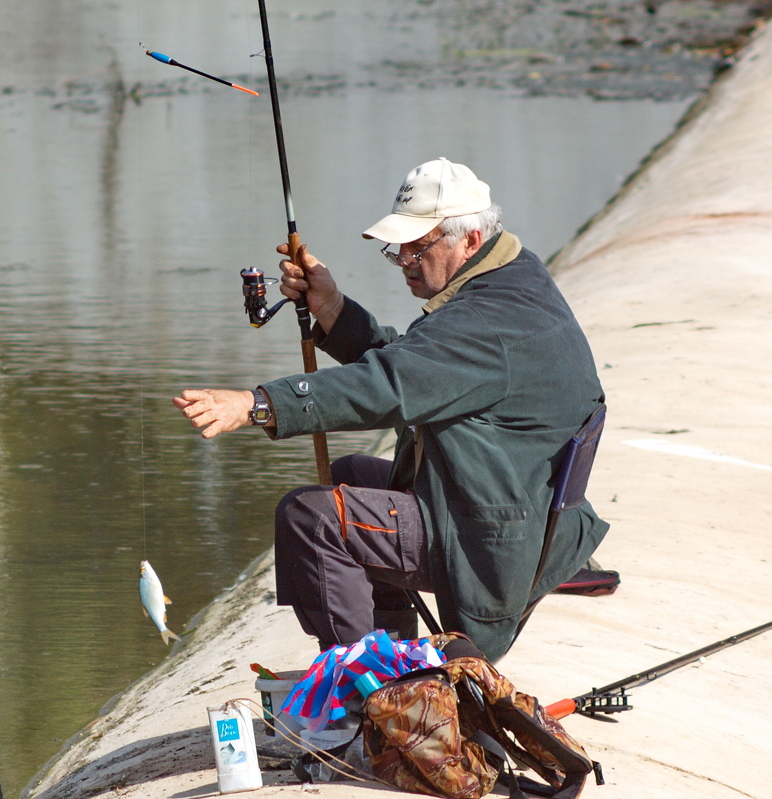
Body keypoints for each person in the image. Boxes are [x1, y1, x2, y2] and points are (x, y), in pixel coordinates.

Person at [173, 157, 607, 661]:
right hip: (513, 501)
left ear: (469, 240)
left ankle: (364, 681)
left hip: (496, 537)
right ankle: (396, 655)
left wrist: (258, 404)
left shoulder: (485, 319)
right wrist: (332, 309)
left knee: (311, 516)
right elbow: (422, 372)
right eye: (398, 248)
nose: (404, 260)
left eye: (417, 247)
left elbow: (387, 386)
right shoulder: (513, 276)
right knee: (350, 475)